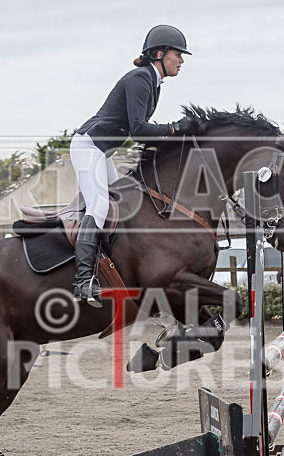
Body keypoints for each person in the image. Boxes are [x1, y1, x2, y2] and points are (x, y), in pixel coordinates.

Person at [69, 24, 198, 306]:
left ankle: (107, 268)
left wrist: (174, 138)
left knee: (121, 202)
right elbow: (140, 130)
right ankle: (81, 283)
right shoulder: (141, 78)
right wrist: (175, 128)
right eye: (178, 54)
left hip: (102, 152)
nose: (182, 60)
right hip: (89, 146)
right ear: (160, 53)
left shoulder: (152, 82)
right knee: (100, 206)